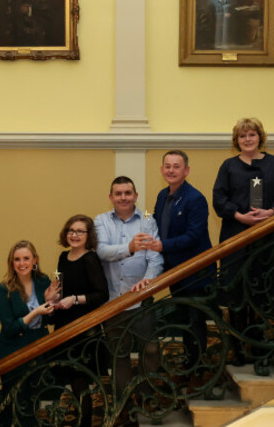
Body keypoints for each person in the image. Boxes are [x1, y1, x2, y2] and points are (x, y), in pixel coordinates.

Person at [212, 119, 274, 364]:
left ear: (260, 137)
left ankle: (259, 347)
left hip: (266, 237)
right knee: (236, 292)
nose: (247, 139)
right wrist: (238, 214)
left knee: (262, 291)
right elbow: (218, 198)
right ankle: (237, 348)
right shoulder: (228, 166)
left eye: (251, 134)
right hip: (236, 236)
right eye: (242, 136)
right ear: (236, 141)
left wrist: (271, 212)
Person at [94, 176, 163, 424]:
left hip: (141, 298)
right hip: (113, 302)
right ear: (111, 197)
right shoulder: (100, 221)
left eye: (127, 193)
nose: (123, 197)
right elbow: (101, 251)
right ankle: (124, 403)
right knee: (118, 355)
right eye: (118, 193)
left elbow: (155, 257)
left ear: (135, 196)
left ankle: (145, 397)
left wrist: (148, 281)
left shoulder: (148, 220)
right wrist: (130, 248)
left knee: (151, 349)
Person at [148, 151, 213, 373]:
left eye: (176, 166)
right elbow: (157, 227)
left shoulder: (195, 199)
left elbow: (193, 236)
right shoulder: (161, 196)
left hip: (195, 273)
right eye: (167, 166)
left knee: (195, 324)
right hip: (175, 272)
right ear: (161, 170)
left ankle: (198, 370)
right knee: (184, 322)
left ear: (186, 171)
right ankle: (189, 366)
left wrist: (162, 246)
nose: (171, 170)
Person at [53, 215, 109, 427]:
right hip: (64, 324)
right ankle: (80, 417)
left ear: (88, 236)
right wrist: (54, 296)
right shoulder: (63, 257)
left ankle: (85, 420)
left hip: (84, 327)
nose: (74, 235)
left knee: (80, 377)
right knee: (71, 376)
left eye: (80, 231)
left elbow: (101, 294)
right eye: (71, 230)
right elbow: (61, 288)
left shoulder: (90, 259)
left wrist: (74, 300)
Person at [0, 240, 60, 386]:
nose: (21, 263)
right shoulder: (4, 289)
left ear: (34, 260)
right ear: (11, 263)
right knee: (15, 401)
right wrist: (36, 312)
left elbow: (51, 320)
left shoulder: (43, 281)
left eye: (26, 258)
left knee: (37, 398)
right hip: (13, 351)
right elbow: (10, 328)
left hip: (40, 348)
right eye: (17, 259)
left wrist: (50, 303)